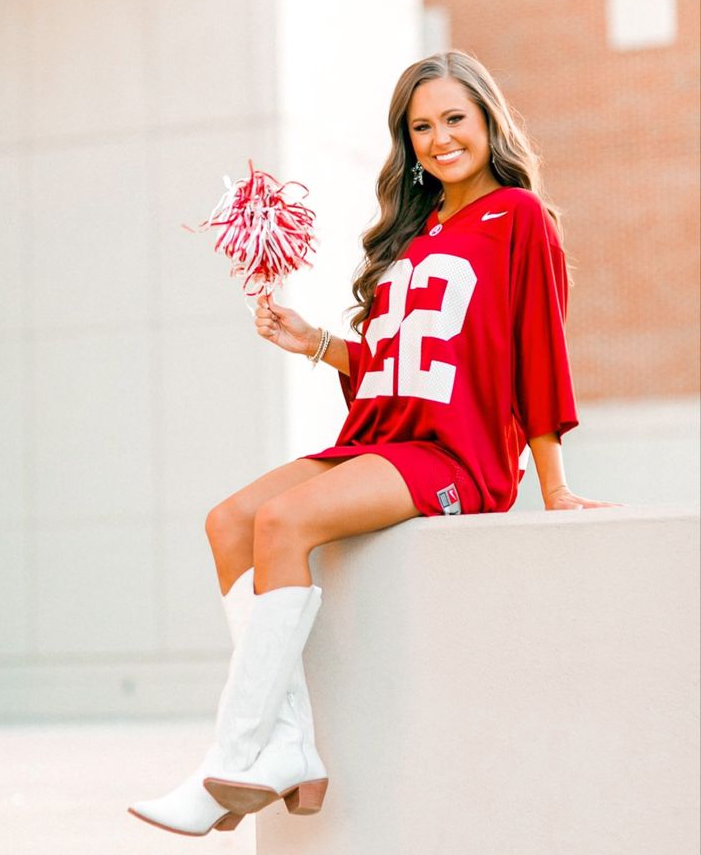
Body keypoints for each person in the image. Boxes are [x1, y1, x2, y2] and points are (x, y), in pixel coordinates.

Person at [128, 50, 618, 837]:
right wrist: (315, 341)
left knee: (284, 524)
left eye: (454, 119)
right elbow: (406, 364)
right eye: (421, 126)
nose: (438, 138)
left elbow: (537, 349)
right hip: (383, 435)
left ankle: (237, 753)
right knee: (229, 521)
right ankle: (285, 746)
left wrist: (552, 481)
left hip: (455, 456)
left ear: (489, 120)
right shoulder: (418, 230)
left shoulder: (520, 216)